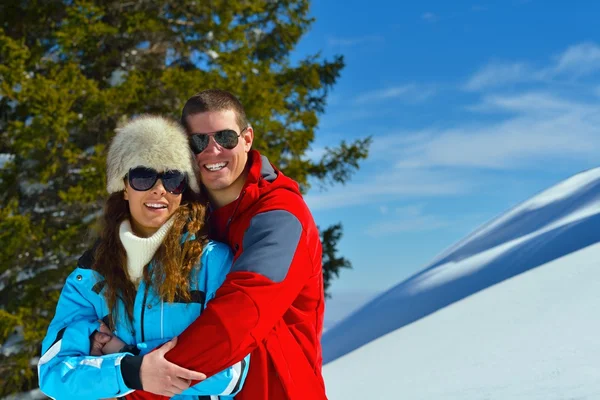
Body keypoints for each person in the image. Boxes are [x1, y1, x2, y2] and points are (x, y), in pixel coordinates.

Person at [123, 89, 328, 400]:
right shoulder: (185, 215)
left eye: (226, 138)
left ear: (246, 139)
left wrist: (136, 388)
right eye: (198, 141)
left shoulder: (281, 217)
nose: (213, 151)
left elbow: (240, 318)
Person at [37, 115, 250, 399]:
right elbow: (54, 372)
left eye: (172, 178)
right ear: (124, 186)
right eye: (143, 176)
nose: (159, 189)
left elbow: (230, 372)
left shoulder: (213, 261)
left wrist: (125, 354)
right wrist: (131, 371)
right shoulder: (90, 274)